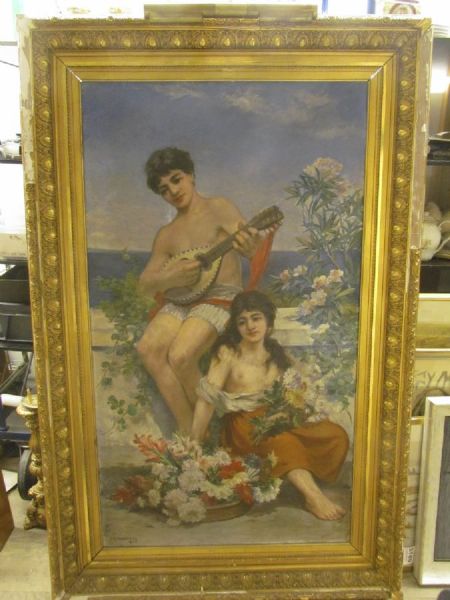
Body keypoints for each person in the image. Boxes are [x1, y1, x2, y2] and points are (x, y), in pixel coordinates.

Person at [136, 147, 274, 434]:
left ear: (191, 175)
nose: (173, 191)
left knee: (181, 355)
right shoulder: (167, 234)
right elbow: (145, 284)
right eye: (164, 189)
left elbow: (250, 246)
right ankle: (188, 429)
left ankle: (210, 429)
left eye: (176, 179)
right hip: (183, 299)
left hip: (220, 297)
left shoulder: (218, 207)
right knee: (147, 349)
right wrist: (169, 277)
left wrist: (250, 244)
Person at [191, 290, 349, 521]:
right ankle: (313, 497)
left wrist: (302, 407)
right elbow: (207, 398)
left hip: (275, 417)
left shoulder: (276, 353)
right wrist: (195, 441)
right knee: (285, 444)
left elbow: (300, 386)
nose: (250, 326)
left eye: (256, 318)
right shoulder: (228, 353)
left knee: (335, 435)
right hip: (244, 424)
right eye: (242, 321)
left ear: (268, 321)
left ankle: (299, 478)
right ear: (236, 326)